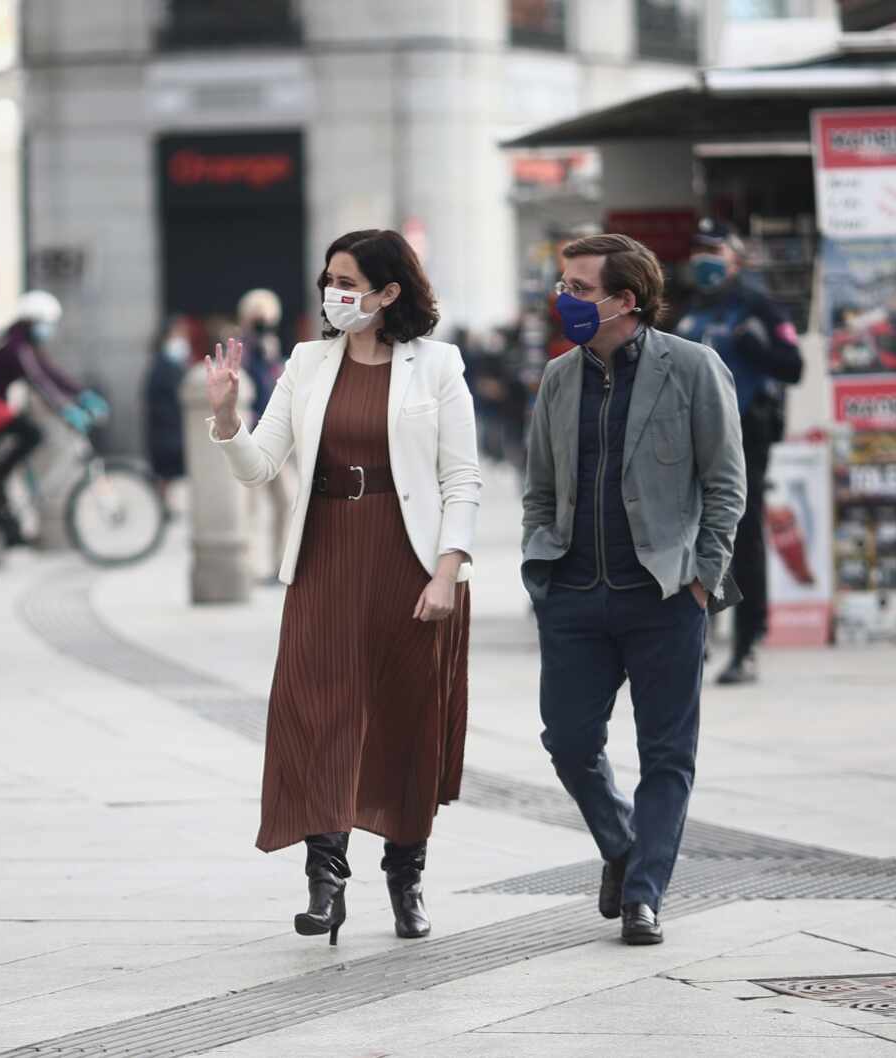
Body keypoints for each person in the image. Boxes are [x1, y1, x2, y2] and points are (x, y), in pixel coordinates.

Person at [206, 229, 481, 945]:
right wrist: (227, 416)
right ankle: (325, 883)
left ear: (389, 293)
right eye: (330, 278)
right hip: (326, 556)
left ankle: (406, 875)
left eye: (350, 281)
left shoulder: (439, 366)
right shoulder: (306, 361)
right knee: (317, 715)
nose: (335, 293)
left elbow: (462, 479)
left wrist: (448, 570)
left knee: (404, 721)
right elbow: (261, 465)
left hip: (408, 558)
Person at [522, 233, 745, 946]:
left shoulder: (693, 368)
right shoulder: (559, 378)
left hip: (664, 593)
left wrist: (703, 578)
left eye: (580, 289)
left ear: (625, 299)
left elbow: (725, 483)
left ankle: (645, 893)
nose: (566, 299)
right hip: (575, 594)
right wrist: (540, 570)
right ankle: (623, 847)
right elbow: (539, 489)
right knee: (568, 740)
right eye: (564, 285)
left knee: (667, 752)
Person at [674, 220, 803, 685]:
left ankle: (747, 644)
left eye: (714, 250)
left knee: (741, 538)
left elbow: (794, 367)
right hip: (693, 441)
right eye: (698, 249)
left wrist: (757, 349)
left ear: (735, 257)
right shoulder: (693, 311)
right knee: (697, 538)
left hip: (746, 437)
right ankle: (705, 628)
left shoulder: (758, 306)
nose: (703, 258)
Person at [0, 290, 95, 540]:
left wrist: (81, 394)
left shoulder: (23, 345)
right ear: (32, 321)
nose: (49, 330)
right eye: (46, 324)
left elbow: (50, 373)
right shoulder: (14, 346)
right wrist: (66, 410)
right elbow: (38, 382)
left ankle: (5, 521)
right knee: (32, 434)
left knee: (18, 443)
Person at [236, 288, 295, 583]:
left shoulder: (271, 347)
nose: (263, 323)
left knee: (286, 499)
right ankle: (245, 568)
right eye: (258, 318)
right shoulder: (239, 347)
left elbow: (278, 385)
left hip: (274, 434)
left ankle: (279, 564)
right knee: (249, 506)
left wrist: (272, 357)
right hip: (250, 435)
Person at [145, 317, 192, 518]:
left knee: (169, 474)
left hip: (171, 428)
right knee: (165, 473)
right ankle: (162, 507)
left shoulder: (173, 364)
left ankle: (165, 506)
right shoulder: (162, 365)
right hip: (165, 430)